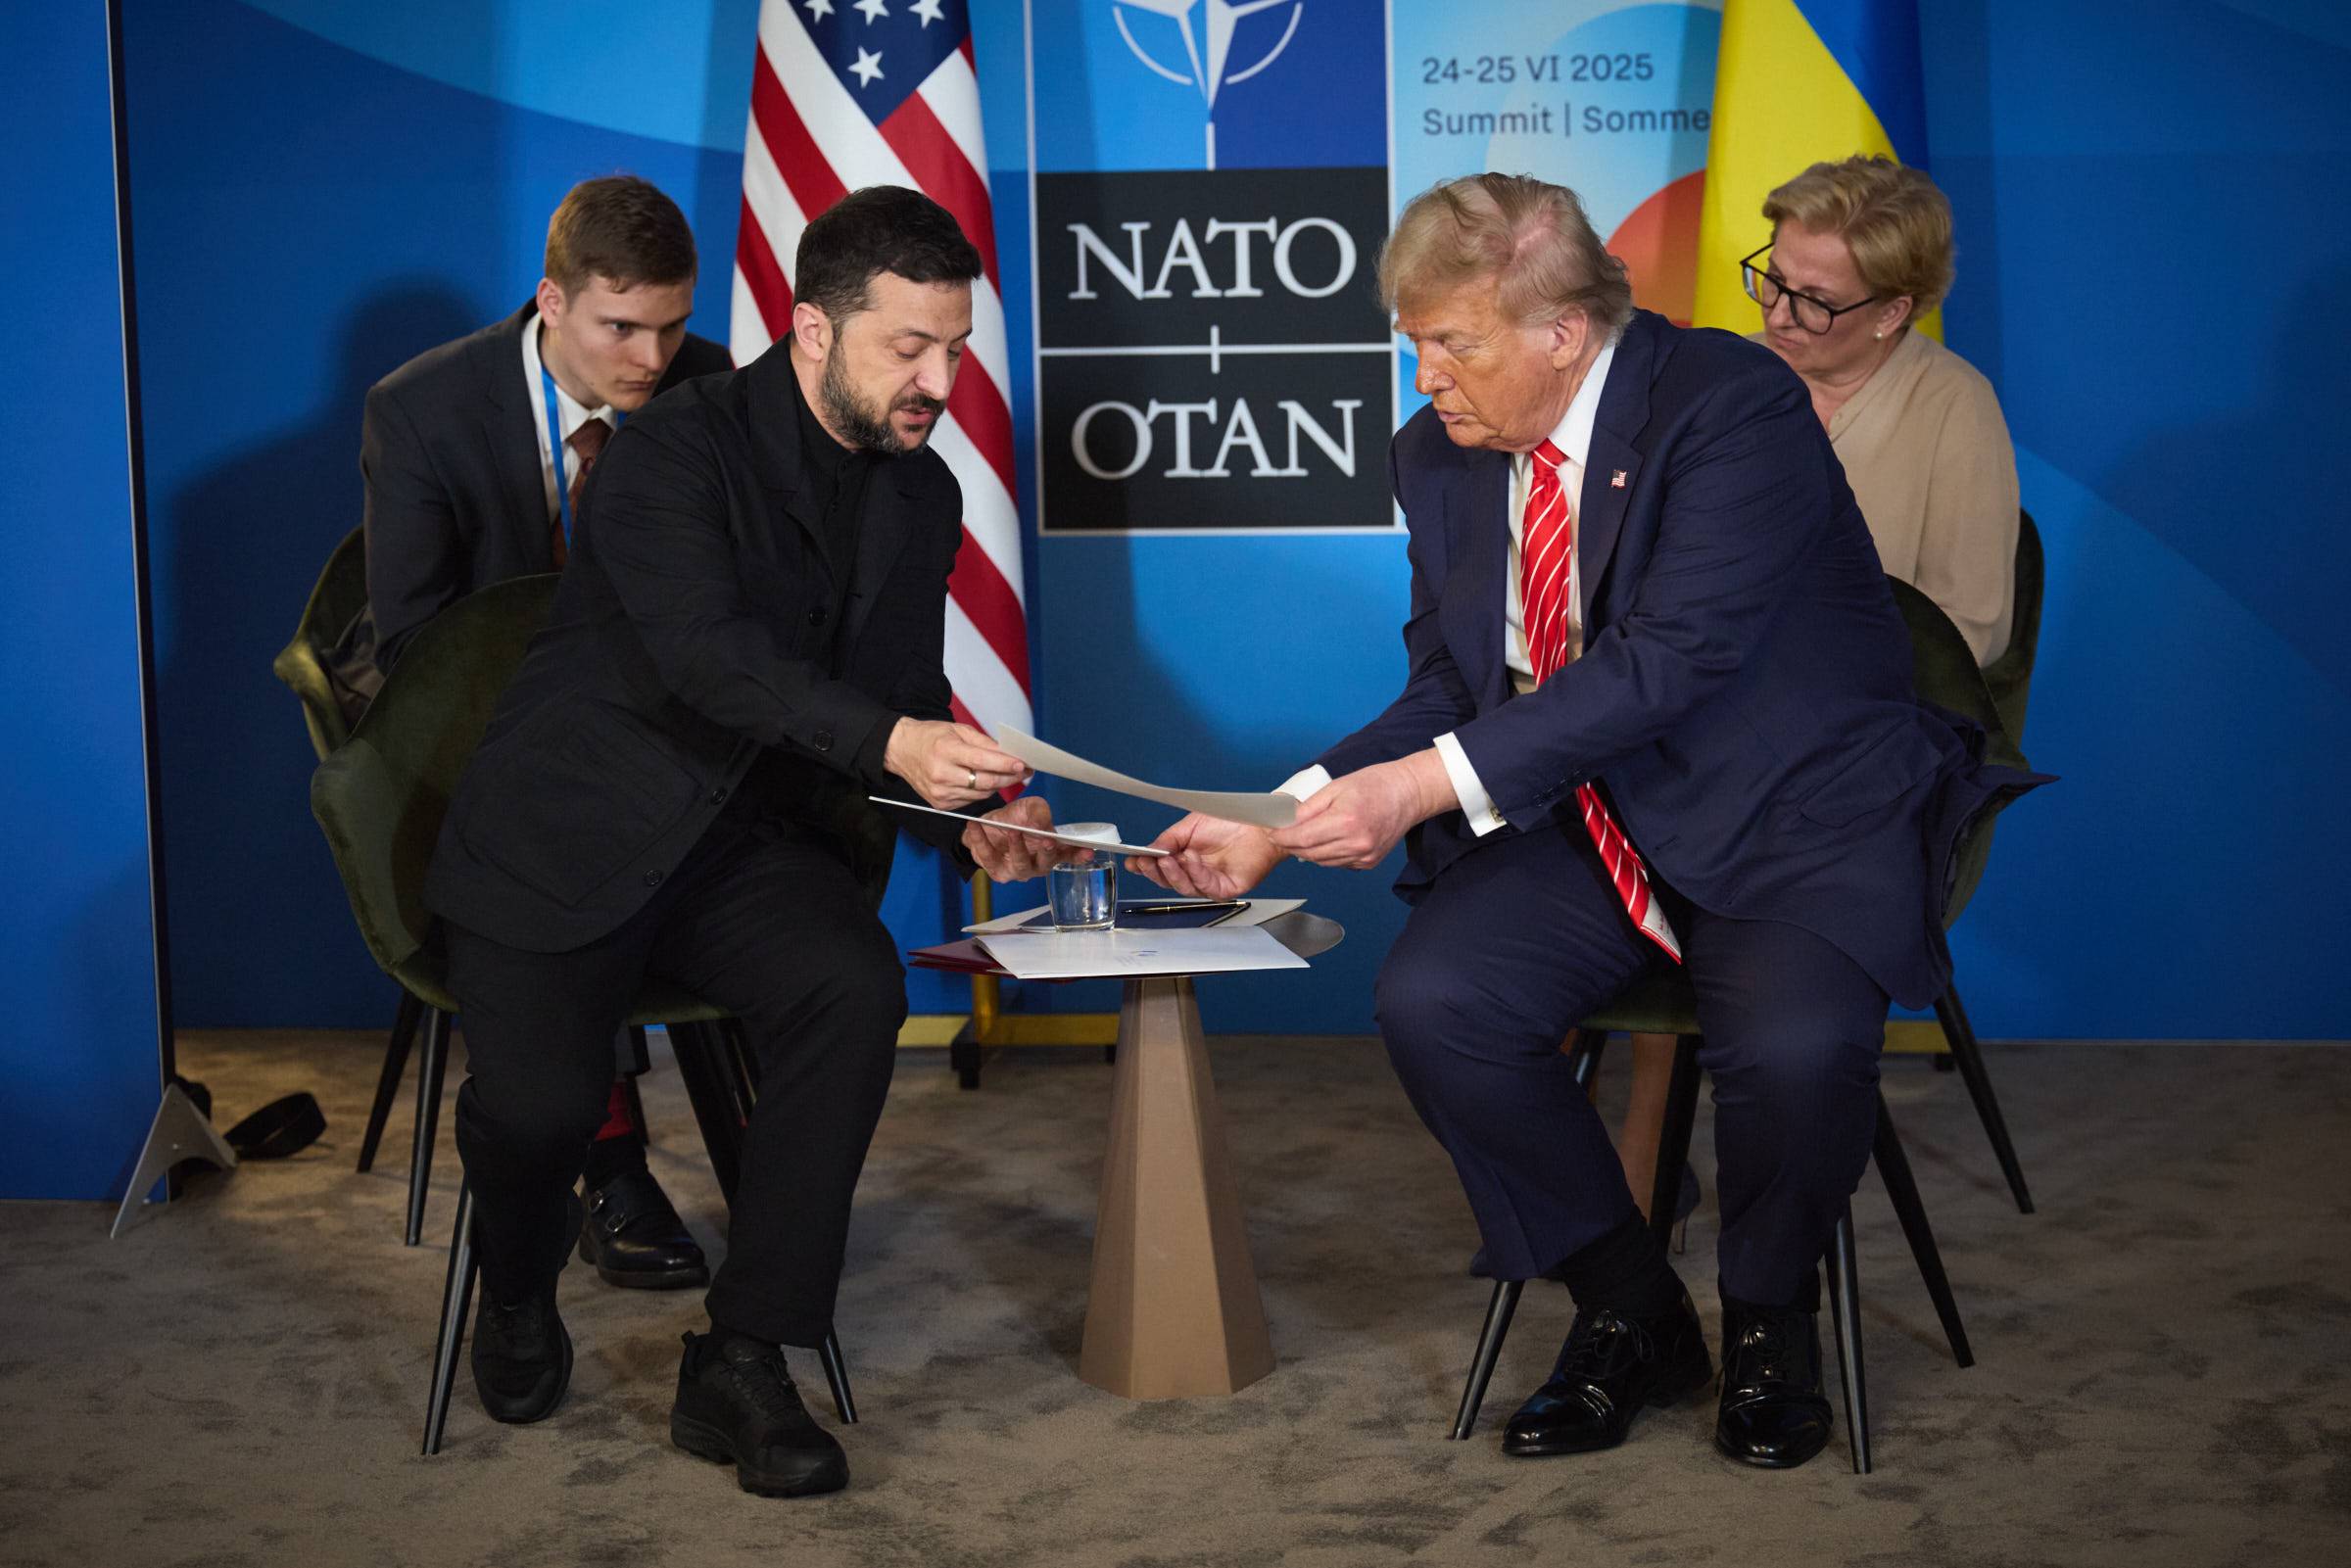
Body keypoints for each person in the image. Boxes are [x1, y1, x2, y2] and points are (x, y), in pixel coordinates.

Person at [1137, 173, 2035, 1471]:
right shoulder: (1438, 452)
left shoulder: (1731, 404)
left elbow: (1666, 663)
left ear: (1564, 332)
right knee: (1437, 1001)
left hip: (1790, 807)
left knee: (1793, 1048)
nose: (1425, 375)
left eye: (1455, 342)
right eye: (1413, 340)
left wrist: (1415, 790)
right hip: (1602, 811)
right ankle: (1630, 1304)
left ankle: (1771, 1315)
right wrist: (1276, 816)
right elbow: (1451, 686)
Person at [422, 184, 1061, 1497]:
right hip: (571, 827)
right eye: (910, 348)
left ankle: (746, 1350)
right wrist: (897, 744)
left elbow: (900, 694)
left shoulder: (923, 493)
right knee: (539, 1110)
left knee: (853, 986)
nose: (941, 383)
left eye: (956, 349)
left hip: (741, 845)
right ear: (814, 329)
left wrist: (978, 818)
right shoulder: (670, 448)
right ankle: (516, 1278)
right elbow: (712, 661)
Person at [1616, 156, 2023, 1219]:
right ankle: (1643, 1156)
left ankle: (1717, 1173)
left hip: (1866, 755)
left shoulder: (1955, 405)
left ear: (1894, 311)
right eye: (1772, 278)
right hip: (1705, 734)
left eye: (1814, 299)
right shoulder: (1720, 382)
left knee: (1699, 842)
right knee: (1601, 809)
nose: (1777, 313)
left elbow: (1971, 630)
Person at [356, 176, 732, 1291]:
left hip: (672, 744)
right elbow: (418, 644)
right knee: (561, 835)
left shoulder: (713, 388)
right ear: (551, 301)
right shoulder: (422, 407)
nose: (652, 358)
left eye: (672, 325)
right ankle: (609, 1162)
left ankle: (764, 1168)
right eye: (622, 328)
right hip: (485, 739)